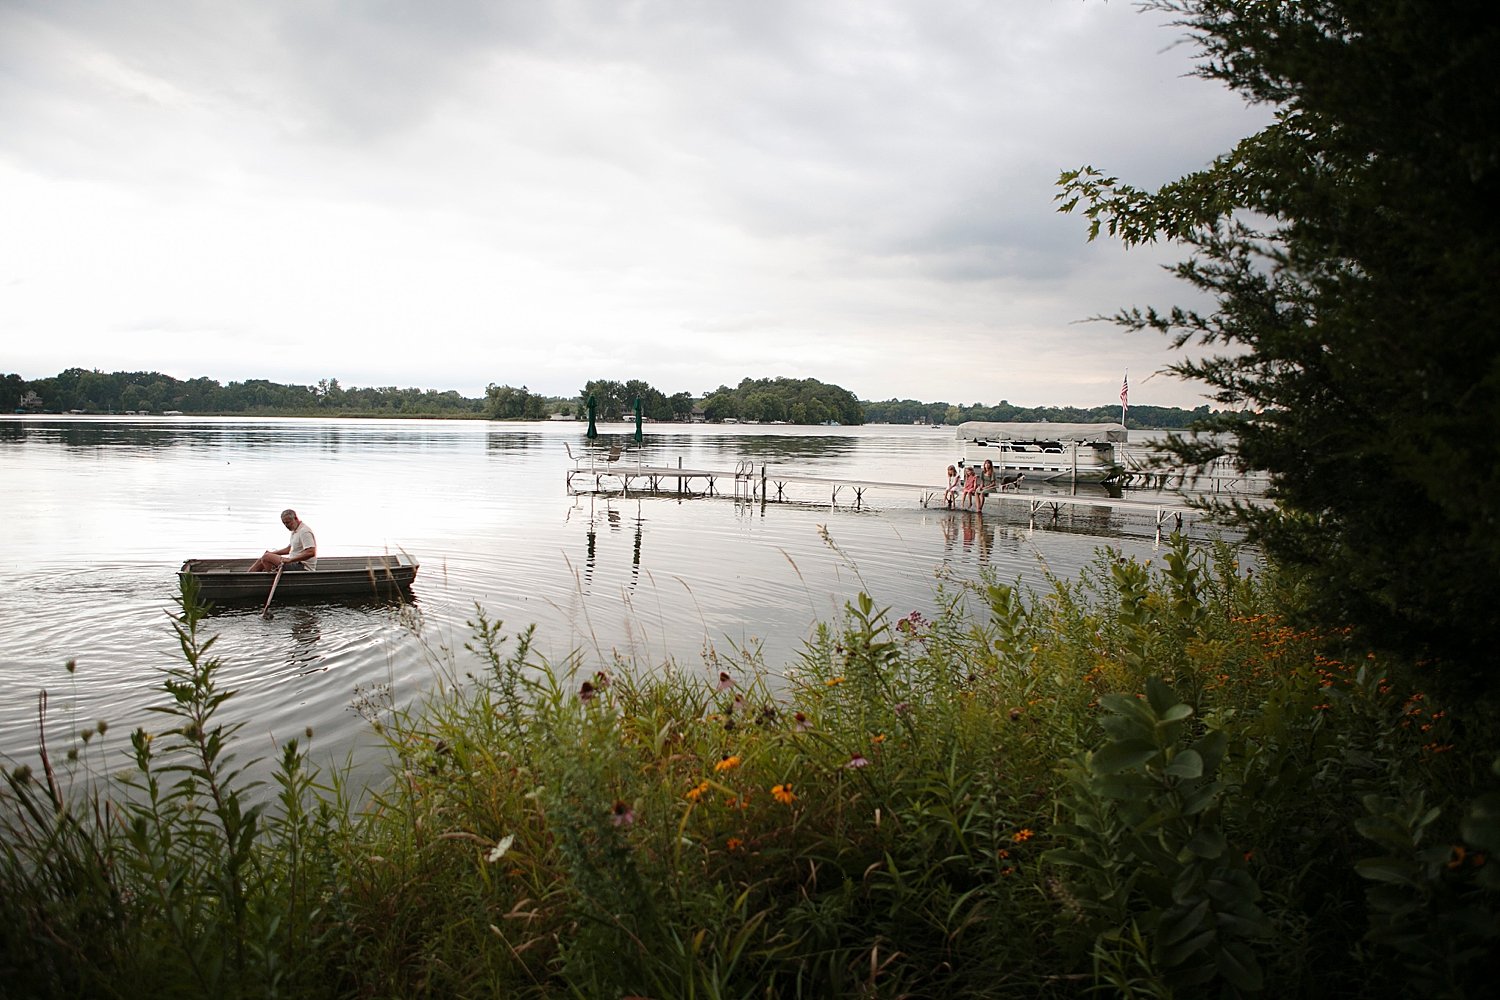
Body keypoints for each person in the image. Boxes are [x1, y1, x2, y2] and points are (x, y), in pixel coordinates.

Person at [249, 509, 317, 572]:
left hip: (302, 567)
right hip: (293, 562)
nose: (286, 525)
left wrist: (290, 560)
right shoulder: (295, 530)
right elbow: (289, 549)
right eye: (284, 523)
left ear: (296, 518)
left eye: (288, 522)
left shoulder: (304, 531)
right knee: (262, 559)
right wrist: (272, 553)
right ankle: (246, 578)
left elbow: (311, 552)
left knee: (266, 557)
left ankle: (270, 580)